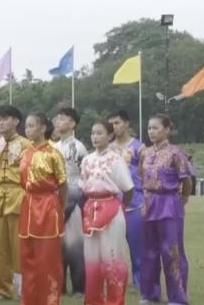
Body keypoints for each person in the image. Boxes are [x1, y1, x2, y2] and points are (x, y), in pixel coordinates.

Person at [139, 114, 192, 305]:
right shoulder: (145, 153)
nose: (151, 132)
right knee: (149, 251)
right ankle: (149, 294)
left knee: (172, 251)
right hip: (149, 203)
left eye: (155, 128)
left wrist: (183, 198)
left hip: (169, 203)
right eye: (149, 128)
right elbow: (142, 176)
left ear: (167, 129)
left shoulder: (176, 153)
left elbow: (187, 180)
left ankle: (177, 297)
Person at [79, 120, 134, 305]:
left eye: (99, 133)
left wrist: (121, 207)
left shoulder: (116, 159)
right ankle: (93, 300)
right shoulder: (87, 160)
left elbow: (129, 189)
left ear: (110, 136)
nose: (95, 137)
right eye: (93, 133)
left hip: (111, 208)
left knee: (112, 258)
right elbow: (82, 185)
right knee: (91, 259)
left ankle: (115, 301)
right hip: (90, 210)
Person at [18, 112, 67, 305]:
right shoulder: (25, 153)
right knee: (27, 259)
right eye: (26, 126)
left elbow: (63, 184)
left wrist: (60, 207)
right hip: (28, 205)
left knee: (48, 261)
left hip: (47, 207)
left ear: (43, 128)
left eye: (31, 125)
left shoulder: (53, 154)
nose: (27, 129)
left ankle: (49, 300)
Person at [0, 105, 31, 300]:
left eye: (5, 118)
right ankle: (2, 288)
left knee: (18, 245)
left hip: (18, 194)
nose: (1, 122)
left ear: (16, 121)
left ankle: (24, 288)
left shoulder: (25, 145)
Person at [52, 107, 88, 296]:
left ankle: (79, 287)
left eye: (63, 118)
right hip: (55, 198)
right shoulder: (53, 147)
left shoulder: (78, 148)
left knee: (74, 245)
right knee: (57, 245)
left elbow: (84, 175)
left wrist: (74, 199)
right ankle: (59, 285)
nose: (58, 121)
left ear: (72, 123)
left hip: (74, 198)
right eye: (57, 118)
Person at [107, 110, 144, 287]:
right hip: (113, 204)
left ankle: (140, 282)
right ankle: (115, 280)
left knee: (138, 247)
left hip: (135, 204)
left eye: (117, 123)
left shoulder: (139, 148)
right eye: (111, 124)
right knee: (113, 248)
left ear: (126, 123)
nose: (114, 127)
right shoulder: (108, 149)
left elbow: (145, 174)